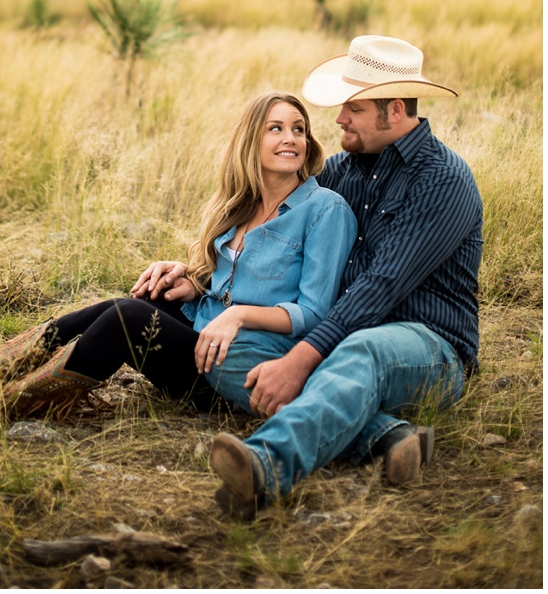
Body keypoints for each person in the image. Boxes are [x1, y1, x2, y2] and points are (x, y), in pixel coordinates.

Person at [0, 91, 356, 427]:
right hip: (202, 337)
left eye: (298, 129)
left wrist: (237, 316)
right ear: (250, 142)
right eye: (275, 128)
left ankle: (13, 405)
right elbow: (237, 279)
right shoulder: (242, 206)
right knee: (110, 306)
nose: (290, 138)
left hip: (245, 364)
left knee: (129, 317)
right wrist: (194, 281)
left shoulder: (325, 209)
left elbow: (315, 312)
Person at [182, 34, 483, 518]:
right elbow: (272, 234)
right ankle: (385, 435)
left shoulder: (442, 179)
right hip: (340, 341)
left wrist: (298, 361)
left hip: (428, 347)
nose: (339, 117)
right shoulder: (343, 170)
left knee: (367, 349)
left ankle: (267, 465)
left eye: (354, 107)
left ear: (397, 111)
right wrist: (196, 277)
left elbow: (380, 287)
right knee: (222, 350)